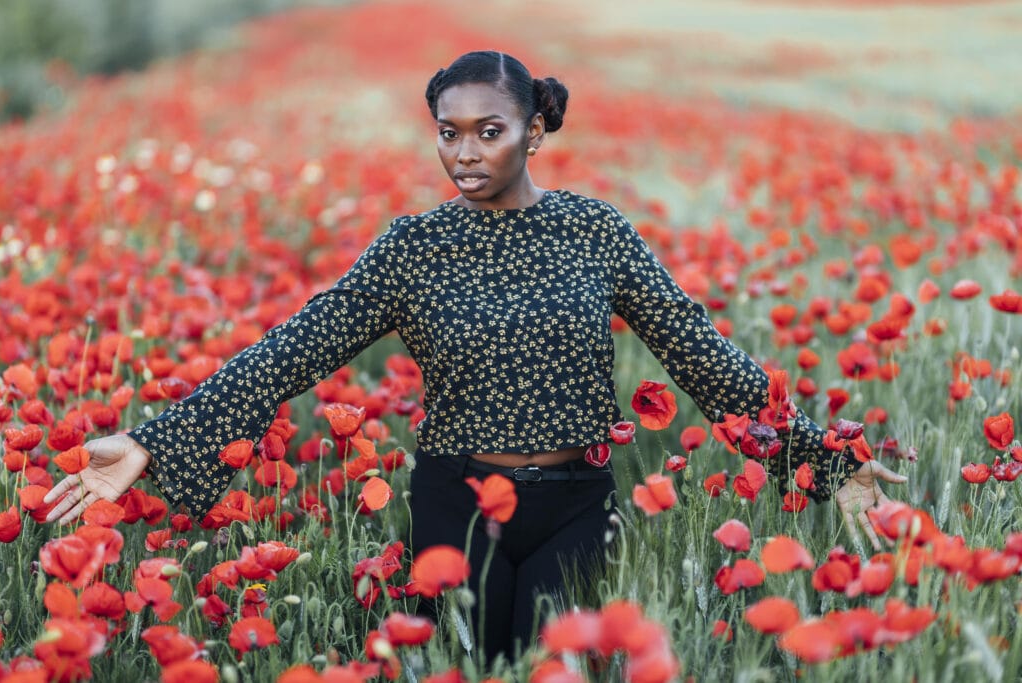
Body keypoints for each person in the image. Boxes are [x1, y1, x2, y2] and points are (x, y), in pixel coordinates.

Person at [44, 51, 907, 664]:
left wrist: (822, 459)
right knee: (461, 661)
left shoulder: (595, 231)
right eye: (446, 132)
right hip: (454, 498)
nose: (463, 152)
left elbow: (699, 353)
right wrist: (157, 437)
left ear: (533, 133)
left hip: (575, 500)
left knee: (545, 659)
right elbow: (293, 349)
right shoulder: (412, 248)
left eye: (487, 131)